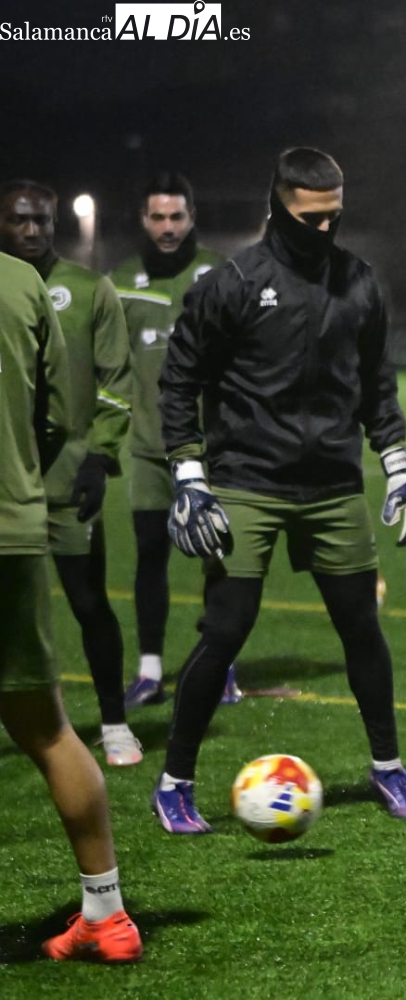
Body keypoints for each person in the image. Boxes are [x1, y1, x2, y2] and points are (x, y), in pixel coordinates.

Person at [152, 147, 406, 833]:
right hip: (246, 481)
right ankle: (174, 781)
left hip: (334, 485)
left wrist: (397, 463)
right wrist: (190, 475)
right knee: (226, 630)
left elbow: (377, 386)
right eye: (311, 219)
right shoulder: (233, 282)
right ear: (278, 206)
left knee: (362, 628)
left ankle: (388, 767)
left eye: (335, 217)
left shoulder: (360, 283)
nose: (325, 231)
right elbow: (180, 380)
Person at [1, 251, 142, 962]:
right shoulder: (23, 283)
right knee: (49, 728)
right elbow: (57, 412)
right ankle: (107, 915)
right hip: (14, 525)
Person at [0, 180, 140, 766]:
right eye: (18, 221)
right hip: (10, 486)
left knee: (88, 603)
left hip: (66, 481)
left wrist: (100, 458)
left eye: (41, 221)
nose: (32, 231)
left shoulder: (89, 289)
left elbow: (116, 381)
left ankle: (114, 725)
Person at [111, 172, 233, 709]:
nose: (167, 227)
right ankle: (150, 670)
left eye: (176, 217)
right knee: (149, 557)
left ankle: (220, 664)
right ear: (143, 219)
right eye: (157, 217)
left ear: (192, 216)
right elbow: (108, 368)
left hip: (213, 451)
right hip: (147, 450)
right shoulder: (118, 284)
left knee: (218, 558)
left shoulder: (219, 275)